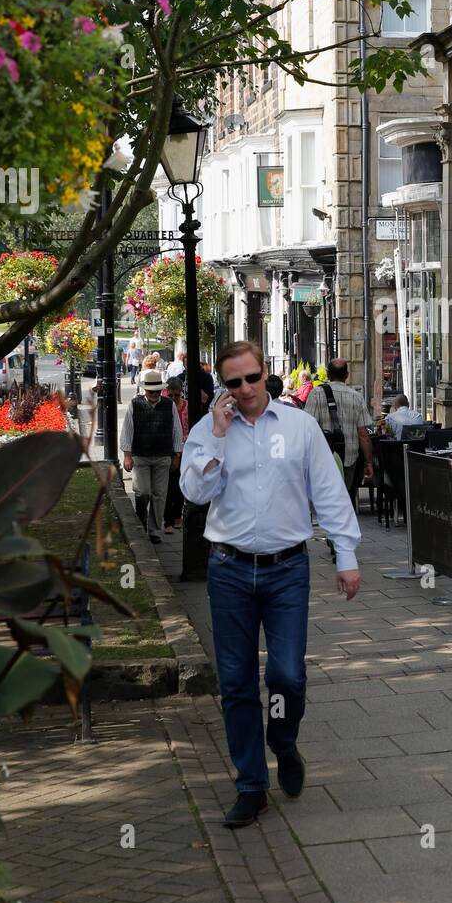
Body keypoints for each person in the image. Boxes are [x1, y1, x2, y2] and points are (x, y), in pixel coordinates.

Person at [180, 341, 362, 828]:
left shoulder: (299, 427)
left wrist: (345, 555)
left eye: (252, 378)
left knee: (286, 675)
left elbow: (329, 490)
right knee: (237, 684)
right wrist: (217, 436)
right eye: (234, 383)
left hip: (286, 569)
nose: (245, 390)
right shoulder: (208, 429)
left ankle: (283, 739)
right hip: (230, 569)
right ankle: (251, 786)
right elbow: (193, 492)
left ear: (266, 374)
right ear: (224, 386)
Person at [120, 369, 184, 544]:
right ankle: (141, 520)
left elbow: (177, 431)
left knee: (160, 494)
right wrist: (127, 455)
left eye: (157, 390)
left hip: (163, 456)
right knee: (143, 492)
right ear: (145, 390)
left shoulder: (169, 405)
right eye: (151, 391)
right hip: (141, 455)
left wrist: (177, 455)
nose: (154, 394)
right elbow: (127, 430)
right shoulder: (135, 404)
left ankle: (155, 530)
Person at [304, 358, 374, 500]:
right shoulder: (357, 397)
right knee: (344, 498)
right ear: (347, 375)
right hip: (349, 458)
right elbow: (363, 435)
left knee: (326, 500)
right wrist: (368, 462)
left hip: (323, 457)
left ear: (328, 374)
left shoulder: (316, 394)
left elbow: (307, 429)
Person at [163, 377, 189, 533]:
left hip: (185, 449)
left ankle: (178, 514)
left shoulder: (186, 407)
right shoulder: (164, 407)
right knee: (168, 485)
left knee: (180, 484)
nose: (173, 398)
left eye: (176, 395)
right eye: (170, 395)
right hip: (168, 448)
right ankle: (168, 519)